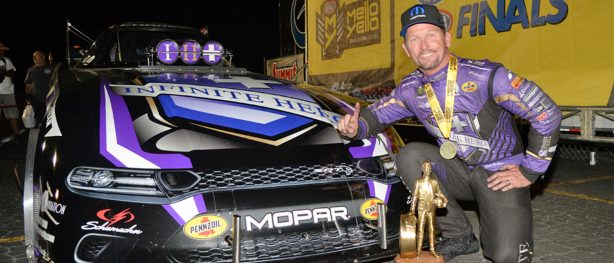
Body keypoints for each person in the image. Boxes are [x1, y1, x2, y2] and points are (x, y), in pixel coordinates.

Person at [337, 4, 561, 262]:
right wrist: (355, 127)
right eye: (414, 39)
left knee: (507, 255)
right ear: (406, 49)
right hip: (458, 170)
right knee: (410, 156)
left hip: (500, 173)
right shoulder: (411, 88)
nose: (424, 45)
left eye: (431, 34)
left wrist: (530, 170)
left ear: (447, 38)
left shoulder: (487, 75)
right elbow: (375, 116)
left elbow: (547, 112)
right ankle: (459, 235)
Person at [409, 160, 448, 259]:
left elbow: (439, 193)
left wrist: (444, 199)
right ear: (422, 169)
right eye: (426, 168)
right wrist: (412, 209)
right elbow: (414, 196)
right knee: (420, 229)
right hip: (421, 209)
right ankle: (418, 250)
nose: (427, 169)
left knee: (432, 229)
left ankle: (432, 249)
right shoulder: (418, 182)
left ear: (431, 170)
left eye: (429, 168)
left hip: (431, 208)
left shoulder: (434, 182)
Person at [25, 50, 54, 126]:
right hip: (36, 97)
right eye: (34, 57)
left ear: (43, 57)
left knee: (51, 117)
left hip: (51, 97)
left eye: (37, 56)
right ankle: (40, 130)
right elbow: (28, 84)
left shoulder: (51, 67)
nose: (35, 58)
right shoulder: (31, 69)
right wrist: (28, 96)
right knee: (39, 117)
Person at [0, 42, 20, 143]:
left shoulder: (6, 60)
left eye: (3, 49)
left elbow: (12, 73)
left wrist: (2, 72)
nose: (3, 51)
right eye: (1, 49)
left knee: (12, 114)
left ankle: (16, 135)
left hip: (8, 91)